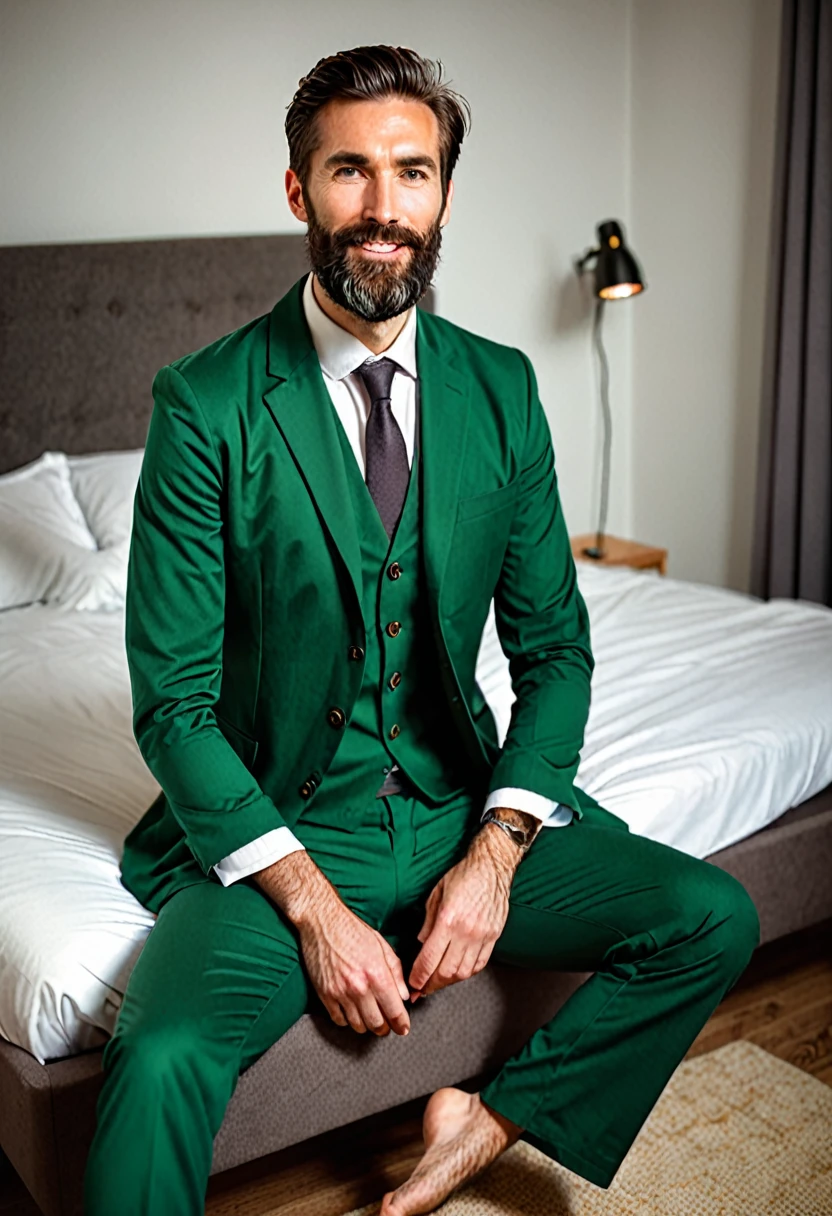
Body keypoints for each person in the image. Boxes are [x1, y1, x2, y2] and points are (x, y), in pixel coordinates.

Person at [84, 43, 760, 1216]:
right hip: (279, 834)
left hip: (458, 807)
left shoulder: (501, 389)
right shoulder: (205, 402)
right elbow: (175, 708)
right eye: (350, 171)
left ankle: (487, 1120)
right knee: (155, 1058)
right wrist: (313, 905)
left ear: (445, 192)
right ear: (299, 191)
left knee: (711, 916)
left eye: (413, 171)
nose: (383, 208)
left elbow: (554, 651)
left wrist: (494, 855)